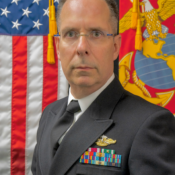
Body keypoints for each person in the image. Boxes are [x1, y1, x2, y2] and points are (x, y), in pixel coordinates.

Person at [31, 0, 175, 174]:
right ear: (58, 48)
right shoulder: (50, 114)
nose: (82, 47)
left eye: (96, 34)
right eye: (71, 34)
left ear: (115, 47)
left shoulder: (149, 124)